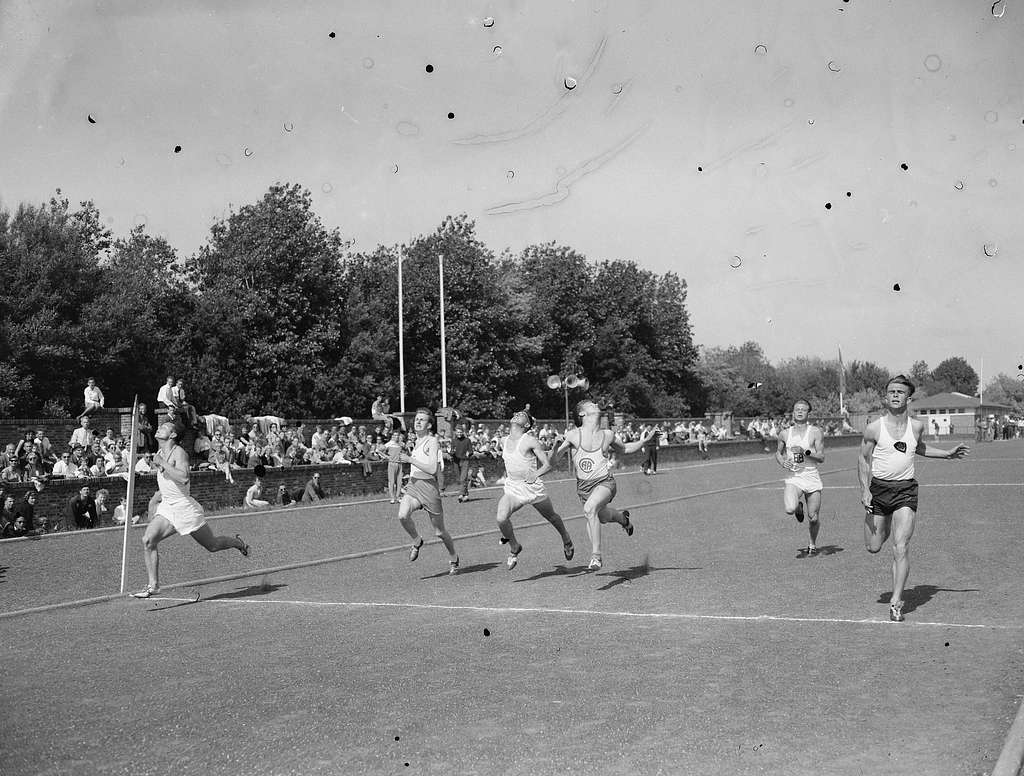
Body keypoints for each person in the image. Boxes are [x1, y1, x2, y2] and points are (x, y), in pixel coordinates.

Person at [859, 375, 970, 622]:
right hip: (878, 490)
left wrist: (947, 454)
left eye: (900, 391)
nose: (895, 395)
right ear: (885, 397)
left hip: (906, 490)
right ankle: (881, 523)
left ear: (908, 398)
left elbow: (919, 448)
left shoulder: (917, 426)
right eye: (891, 391)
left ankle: (897, 601)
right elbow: (863, 459)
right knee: (874, 546)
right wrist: (865, 490)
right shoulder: (874, 428)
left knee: (902, 546)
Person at [131, 423, 250, 598]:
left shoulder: (179, 453)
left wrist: (162, 463)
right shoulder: (159, 454)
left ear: (172, 435)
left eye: (164, 427)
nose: (159, 428)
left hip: (184, 508)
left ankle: (238, 543)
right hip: (168, 506)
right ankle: (153, 585)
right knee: (148, 540)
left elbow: (184, 477)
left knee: (212, 545)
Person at [553, 400, 655, 570]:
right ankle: (624, 519)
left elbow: (626, 449)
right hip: (584, 487)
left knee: (589, 510)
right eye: (591, 404)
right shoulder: (572, 435)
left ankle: (596, 557)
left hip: (605, 482)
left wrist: (644, 441)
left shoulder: (607, 434)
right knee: (604, 517)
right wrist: (555, 447)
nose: (595, 405)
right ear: (582, 414)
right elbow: (554, 459)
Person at [495, 410, 574, 570]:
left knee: (552, 517)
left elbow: (548, 464)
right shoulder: (503, 440)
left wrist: (536, 474)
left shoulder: (530, 440)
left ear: (527, 425)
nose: (517, 414)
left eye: (522, 414)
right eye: (516, 413)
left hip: (532, 487)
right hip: (514, 488)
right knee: (501, 518)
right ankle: (515, 547)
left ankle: (566, 538)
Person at [396, 408, 459, 575]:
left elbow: (432, 469)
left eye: (422, 419)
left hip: (429, 488)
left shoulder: (432, 441)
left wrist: (410, 459)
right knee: (402, 515)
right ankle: (417, 541)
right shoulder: (414, 441)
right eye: (416, 418)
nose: (417, 421)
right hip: (414, 485)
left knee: (439, 532)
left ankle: (454, 557)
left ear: (429, 424)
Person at [775, 399, 826, 556]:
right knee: (790, 508)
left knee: (813, 518)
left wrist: (806, 452)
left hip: (811, 476)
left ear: (808, 413)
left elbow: (821, 457)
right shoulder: (785, 433)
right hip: (794, 477)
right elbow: (778, 453)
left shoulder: (816, 432)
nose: (799, 411)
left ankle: (812, 544)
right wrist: (783, 462)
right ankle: (798, 507)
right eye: (797, 409)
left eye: (803, 409)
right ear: (793, 412)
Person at [384, 430, 404, 504]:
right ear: (392, 436)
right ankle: (392, 497)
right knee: (392, 481)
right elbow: (378, 450)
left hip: (399, 463)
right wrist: (386, 457)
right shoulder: (389, 444)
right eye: (395, 435)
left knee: (399, 481)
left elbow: (403, 451)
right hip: (392, 464)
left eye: (397, 435)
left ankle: (398, 497)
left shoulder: (400, 444)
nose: (396, 437)